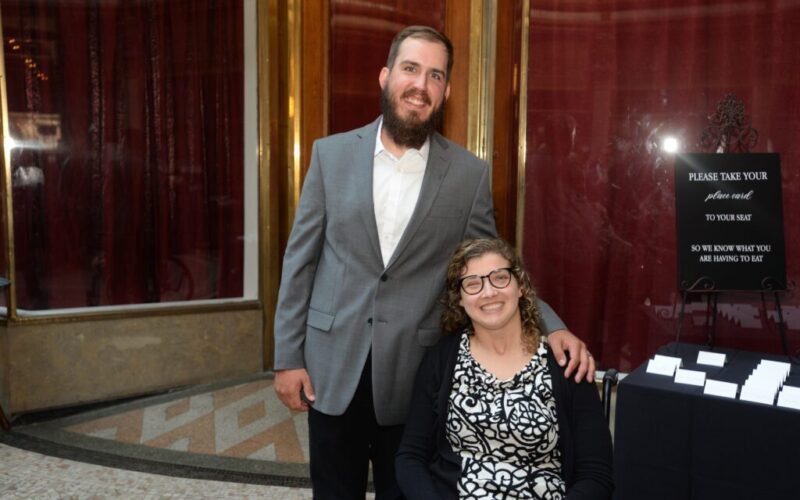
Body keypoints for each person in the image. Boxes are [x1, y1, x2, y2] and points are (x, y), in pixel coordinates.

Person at [272, 25, 596, 499]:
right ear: (385, 76)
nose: (420, 85)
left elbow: (492, 266)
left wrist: (553, 326)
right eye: (410, 69)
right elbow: (300, 261)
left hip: (413, 378)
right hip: (330, 367)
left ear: (444, 92)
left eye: (435, 75)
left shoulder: (467, 175)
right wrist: (287, 357)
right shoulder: (329, 155)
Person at [395, 238, 613, 499]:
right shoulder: (441, 360)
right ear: (460, 300)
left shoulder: (565, 362)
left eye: (500, 278)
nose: (488, 292)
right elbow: (410, 457)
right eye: (473, 284)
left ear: (521, 286)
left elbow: (597, 475)